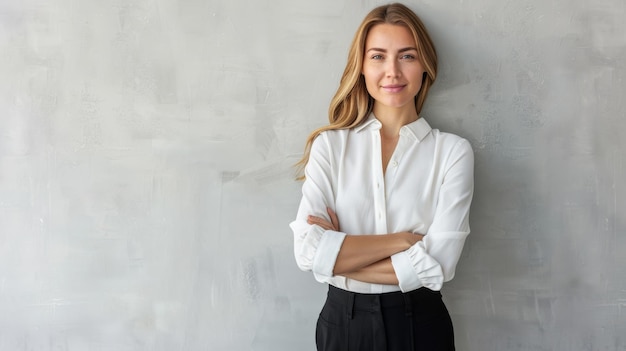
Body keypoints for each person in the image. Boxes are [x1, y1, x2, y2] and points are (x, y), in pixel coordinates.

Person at [290, 3, 474, 350]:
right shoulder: (329, 147)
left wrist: (335, 257)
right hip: (342, 323)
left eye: (407, 56)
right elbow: (306, 251)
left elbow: (440, 266)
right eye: (378, 56)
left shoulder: (452, 152)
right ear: (361, 66)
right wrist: (402, 241)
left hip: (420, 324)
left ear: (425, 66)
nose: (392, 71)